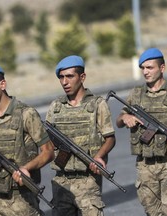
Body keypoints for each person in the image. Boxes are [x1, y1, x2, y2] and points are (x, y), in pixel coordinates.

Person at [116, 48, 167, 215]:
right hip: (144, 164)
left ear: (162, 68)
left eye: (150, 67)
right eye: (143, 68)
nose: (145, 72)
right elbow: (119, 119)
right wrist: (125, 118)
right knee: (153, 212)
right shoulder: (136, 94)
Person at [0, 63, 55, 216]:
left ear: (2, 84)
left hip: (21, 200)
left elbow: (48, 151)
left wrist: (27, 168)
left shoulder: (26, 114)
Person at [45, 55, 116, 216]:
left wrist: (99, 156)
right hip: (61, 181)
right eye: (61, 77)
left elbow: (110, 138)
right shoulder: (56, 107)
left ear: (82, 77)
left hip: (88, 180)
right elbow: (46, 138)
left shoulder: (97, 104)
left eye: (69, 76)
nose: (65, 82)